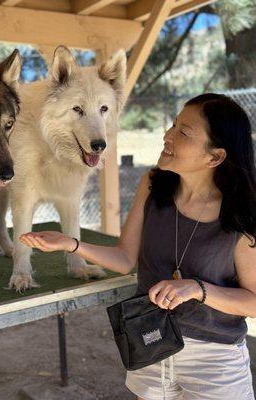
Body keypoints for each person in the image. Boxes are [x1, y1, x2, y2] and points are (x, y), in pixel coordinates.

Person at [20, 93, 256, 400]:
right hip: (150, 340)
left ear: (215, 157)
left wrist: (198, 289)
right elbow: (124, 257)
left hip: (214, 361)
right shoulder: (153, 184)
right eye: (173, 124)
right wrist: (72, 244)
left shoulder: (241, 213)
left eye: (183, 132)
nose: (167, 135)